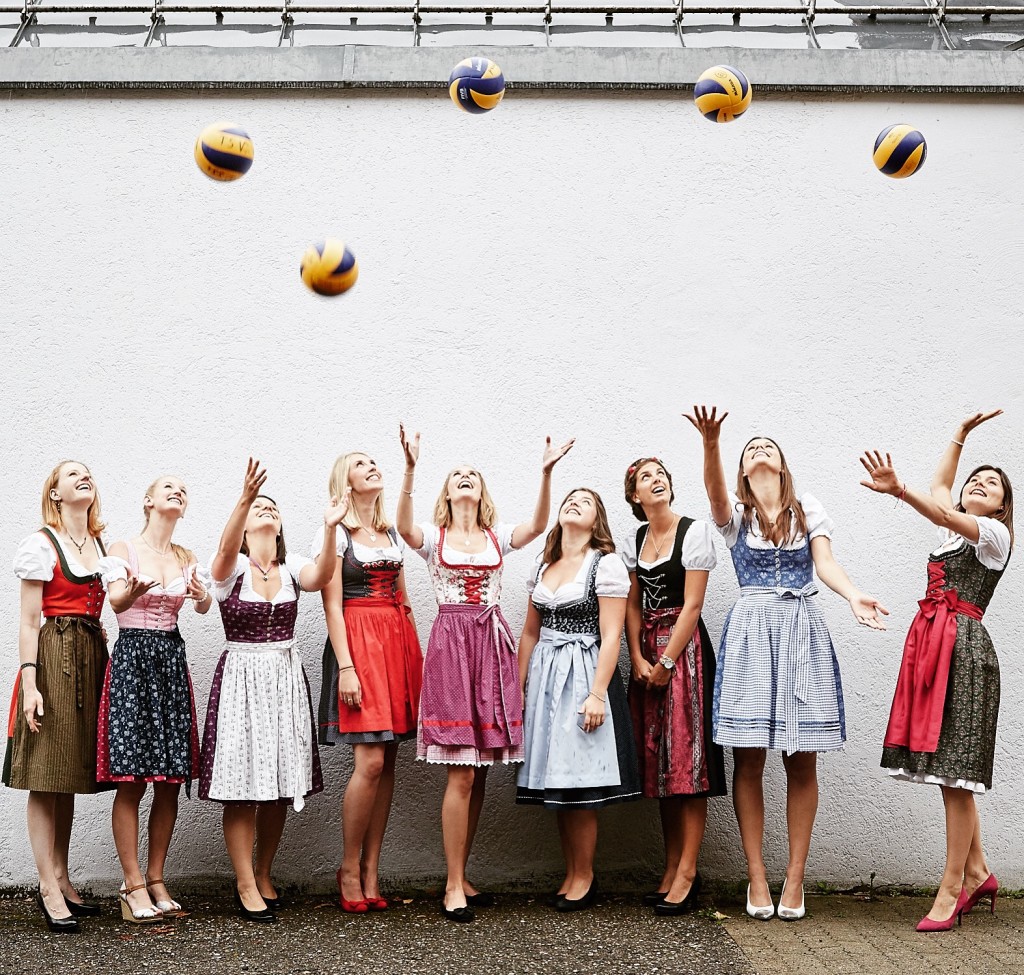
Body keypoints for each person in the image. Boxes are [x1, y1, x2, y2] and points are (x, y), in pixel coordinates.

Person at [686, 406, 887, 921]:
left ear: (782, 464)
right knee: (749, 758)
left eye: (767, 446)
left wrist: (853, 595)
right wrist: (712, 443)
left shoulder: (808, 509)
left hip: (801, 629)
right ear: (743, 468)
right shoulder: (735, 514)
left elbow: (825, 564)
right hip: (753, 631)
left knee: (802, 760)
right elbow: (712, 493)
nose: (758, 451)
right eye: (750, 449)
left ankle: (794, 877)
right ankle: (757, 875)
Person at [396, 424, 574, 922]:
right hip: (453, 647)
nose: (466, 478)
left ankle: (463, 874)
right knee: (459, 770)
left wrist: (545, 473)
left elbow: (538, 527)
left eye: (473, 474)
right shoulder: (435, 538)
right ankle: (452, 883)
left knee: (476, 773)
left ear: (482, 490)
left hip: (490, 647)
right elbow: (404, 528)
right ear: (447, 492)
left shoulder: (496, 537)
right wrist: (410, 468)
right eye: (457, 475)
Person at [860, 410, 1012, 932]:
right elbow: (941, 487)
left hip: (964, 650)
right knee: (950, 771)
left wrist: (898, 490)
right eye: (976, 478)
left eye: (991, 484)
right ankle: (977, 871)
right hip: (934, 642)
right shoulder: (957, 527)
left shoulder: (991, 536)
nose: (978, 483)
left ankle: (953, 888)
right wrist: (961, 436)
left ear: (1001, 507)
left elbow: (942, 511)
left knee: (956, 775)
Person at [200, 458, 346, 922]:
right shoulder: (230, 569)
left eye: (270, 507)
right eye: (257, 508)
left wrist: (329, 528)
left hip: (283, 677)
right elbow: (223, 552)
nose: (265, 510)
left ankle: (264, 871)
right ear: (245, 525)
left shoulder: (293, 565)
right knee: (242, 785)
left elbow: (321, 576)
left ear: (279, 524)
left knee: (280, 784)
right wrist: (244, 498)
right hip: (242, 678)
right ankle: (244, 881)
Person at [4, 461, 122, 932]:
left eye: (88, 472)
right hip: (54, 657)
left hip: (91, 654)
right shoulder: (41, 544)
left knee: (68, 770)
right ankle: (46, 887)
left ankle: (62, 876)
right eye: (71, 474)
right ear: (54, 493)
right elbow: (30, 621)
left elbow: (117, 603)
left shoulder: (99, 545)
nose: (83, 477)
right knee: (45, 772)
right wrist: (30, 683)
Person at [516, 488, 640, 912]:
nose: (574, 503)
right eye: (570, 498)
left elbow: (612, 635)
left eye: (585, 501)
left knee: (581, 780)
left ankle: (585, 874)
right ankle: (571, 871)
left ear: (597, 519)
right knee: (559, 778)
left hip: (584, 673)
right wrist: (517, 689)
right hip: (547, 676)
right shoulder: (544, 564)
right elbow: (530, 633)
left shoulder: (604, 565)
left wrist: (597, 694)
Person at [97, 475, 212, 923]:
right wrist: (134, 590)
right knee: (132, 780)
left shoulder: (186, 557)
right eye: (168, 487)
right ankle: (132, 884)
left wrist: (202, 598)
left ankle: (157, 876)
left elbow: (201, 607)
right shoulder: (122, 550)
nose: (178, 492)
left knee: (168, 780)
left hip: (169, 659)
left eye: (184, 489)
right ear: (148, 501)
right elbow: (116, 603)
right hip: (133, 660)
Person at [315, 451, 422, 914]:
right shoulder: (337, 534)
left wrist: (414, 653)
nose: (372, 466)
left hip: (395, 642)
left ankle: (373, 868)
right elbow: (332, 605)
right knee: (371, 762)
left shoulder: (390, 533)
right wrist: (345, 667)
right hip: (358, 643)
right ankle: (348, 867)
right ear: (346, 480)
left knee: (389, 759)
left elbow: (403, 595)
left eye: (375, 461)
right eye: (362, 463)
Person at [621, 457, 726, 915]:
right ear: (634, 497)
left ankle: (688, 870)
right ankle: (670, 866)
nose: (657, 479)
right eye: (646, 477)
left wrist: (665, 660)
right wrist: (639, 658)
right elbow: (630, 606)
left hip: (686, 655)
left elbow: (694, 604)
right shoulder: (634, 542)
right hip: (648, 651)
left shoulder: (695, 532)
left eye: (662, 472)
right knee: (660, 764)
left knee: (688, 763)